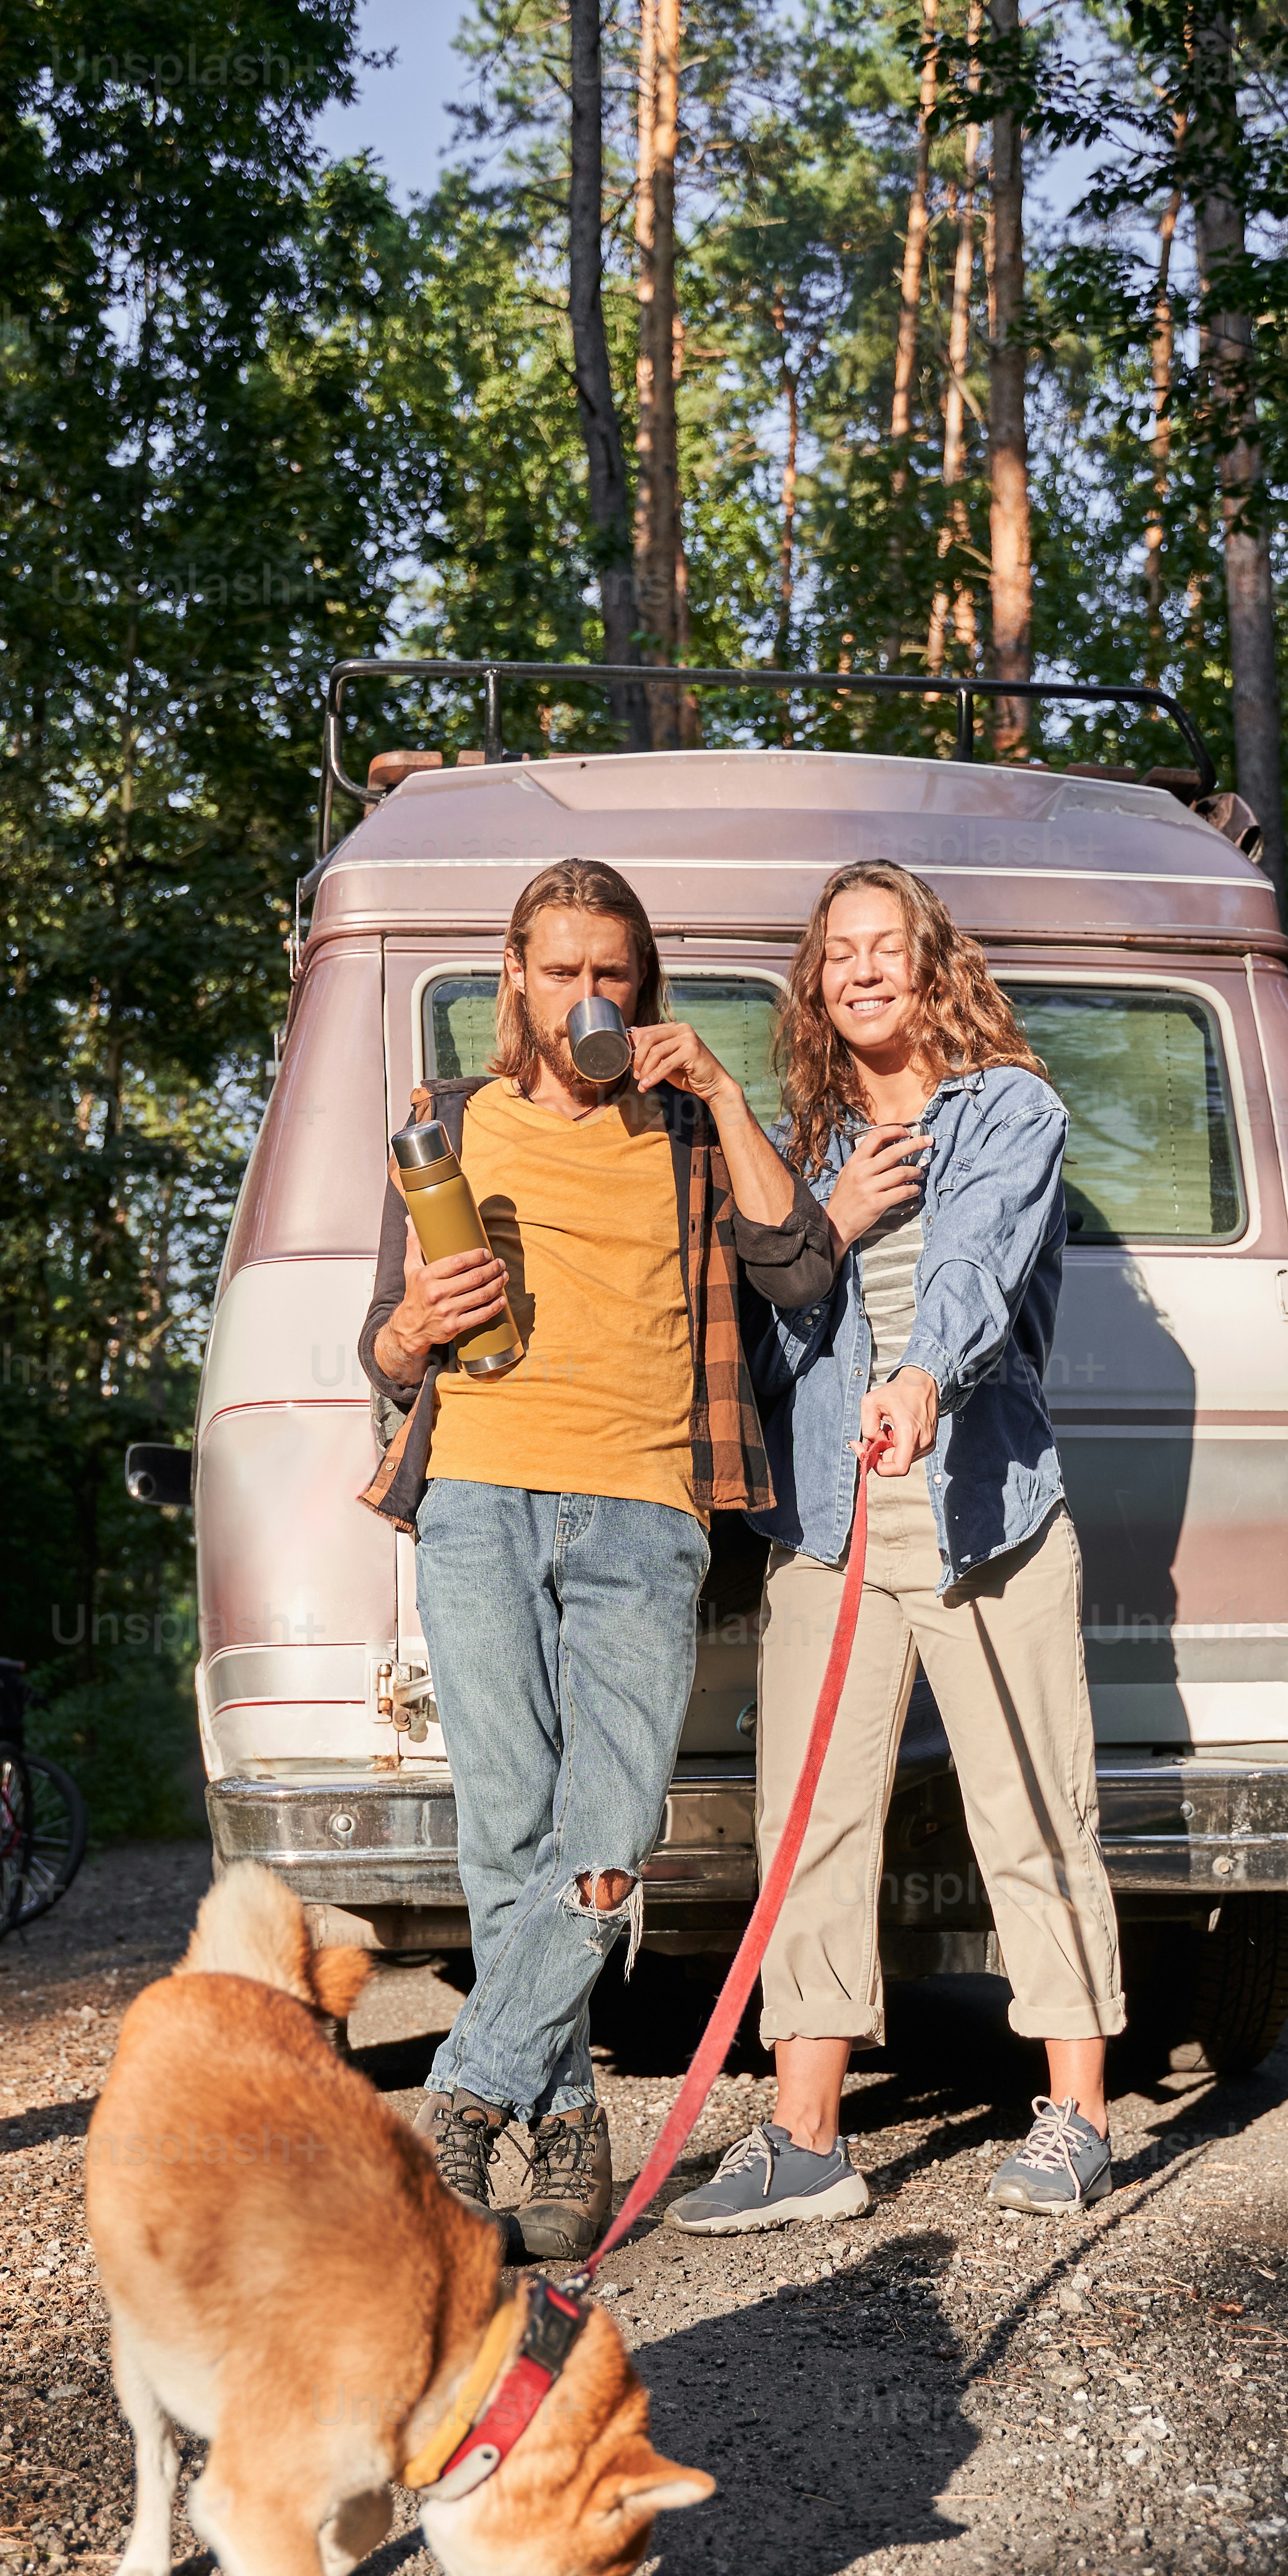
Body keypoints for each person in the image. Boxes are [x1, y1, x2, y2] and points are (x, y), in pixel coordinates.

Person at [358, 854, 837, 2265]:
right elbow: (379, 1348)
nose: (584, 997)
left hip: (644, 1507)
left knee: (610, 1838)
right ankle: (565, 2127)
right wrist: (409, 1334)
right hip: (478, 1497)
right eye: (558, 970)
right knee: (503, 1832)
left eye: (609, 975)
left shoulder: (690, 1130)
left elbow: (798, 1267)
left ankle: (462, 2098)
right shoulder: (444, 1125)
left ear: (641, 989)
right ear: (514, 980)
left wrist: (732, 1098)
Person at [668, 857, 1125, 2233]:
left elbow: (975, 1265)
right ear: (815, 986)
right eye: (836, 953)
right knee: (810, 1821)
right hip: (830, 1523)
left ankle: (1080, 2116)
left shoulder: (1010, 1109)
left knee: (1030, 1809)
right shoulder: (809, 1153)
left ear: (931, 966)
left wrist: (921, 1377)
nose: (861, 968)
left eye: (885, 945)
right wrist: (833, 1220)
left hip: (982, 1513)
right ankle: (806, 2139)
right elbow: (755, 1334)